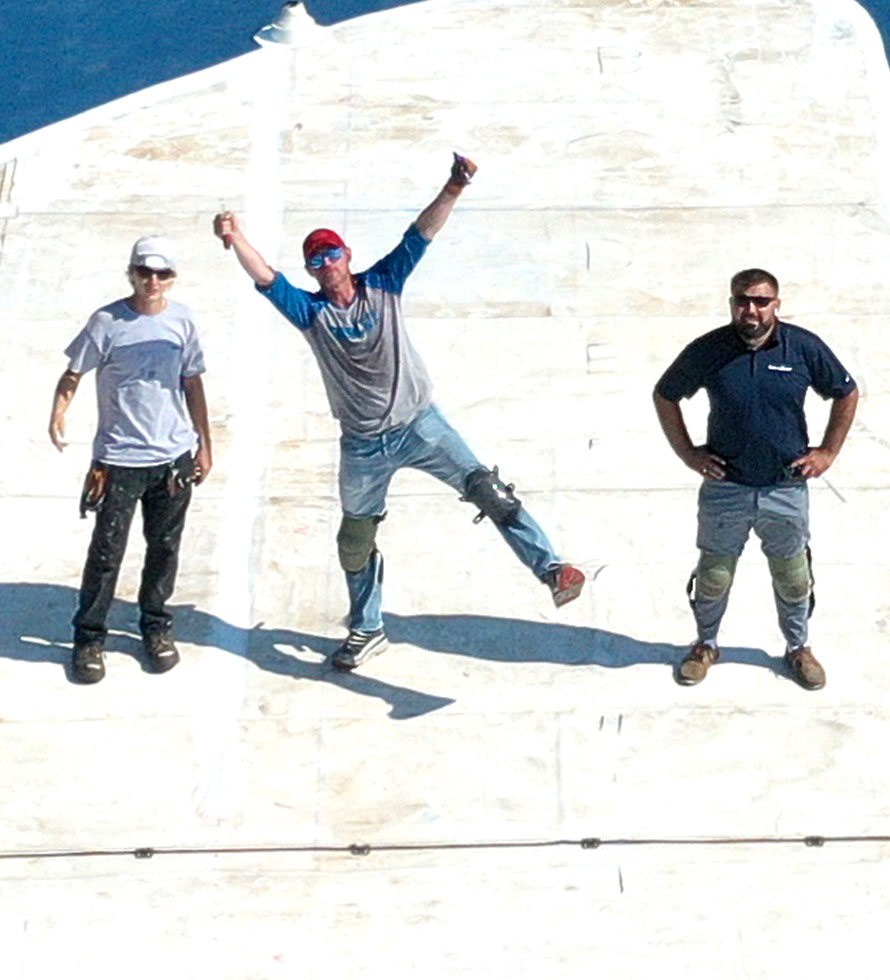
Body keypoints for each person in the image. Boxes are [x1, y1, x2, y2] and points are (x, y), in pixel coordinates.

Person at [213, 153, 585, 671]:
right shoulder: (310, 312)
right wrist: (236, 238)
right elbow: (266, 279)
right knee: (355, 539)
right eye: (317, 261)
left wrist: (454, 185)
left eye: (334, 255)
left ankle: (552, 569)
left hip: (420, 425)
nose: (328, 266)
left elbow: (420, 236)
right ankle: (367, 629)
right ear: (312, 271)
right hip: (363, 445)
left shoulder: (384, 283)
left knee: (487, 490)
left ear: (348, 256)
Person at [653, 268, 858, 690]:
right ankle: (705, 645)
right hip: (726, 488)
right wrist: (688, 453)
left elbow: (846, 391)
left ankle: (798, 648)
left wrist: (827, 452)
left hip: (785, 488)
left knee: (793, 575)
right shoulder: (710, 350)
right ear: (731, 304)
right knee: (714, 575)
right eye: (742, 300)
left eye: (761, 301)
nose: (751, 309)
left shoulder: (802, 348)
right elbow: (665, 394)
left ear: (776, 305)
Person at [49, 236, 212, 684]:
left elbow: (192, 382)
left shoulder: (184, 322)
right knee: (107, 552)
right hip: (119, 460)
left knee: (164, 548)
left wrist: (205, 443)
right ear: (131, 274)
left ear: (172, 278)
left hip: (172, 458)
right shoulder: (107, 322)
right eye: (144, 272)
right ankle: (89, 638)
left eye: (161, 274)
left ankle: (156, 628)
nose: (152, 282)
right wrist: (59, 412)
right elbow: (73, 372)